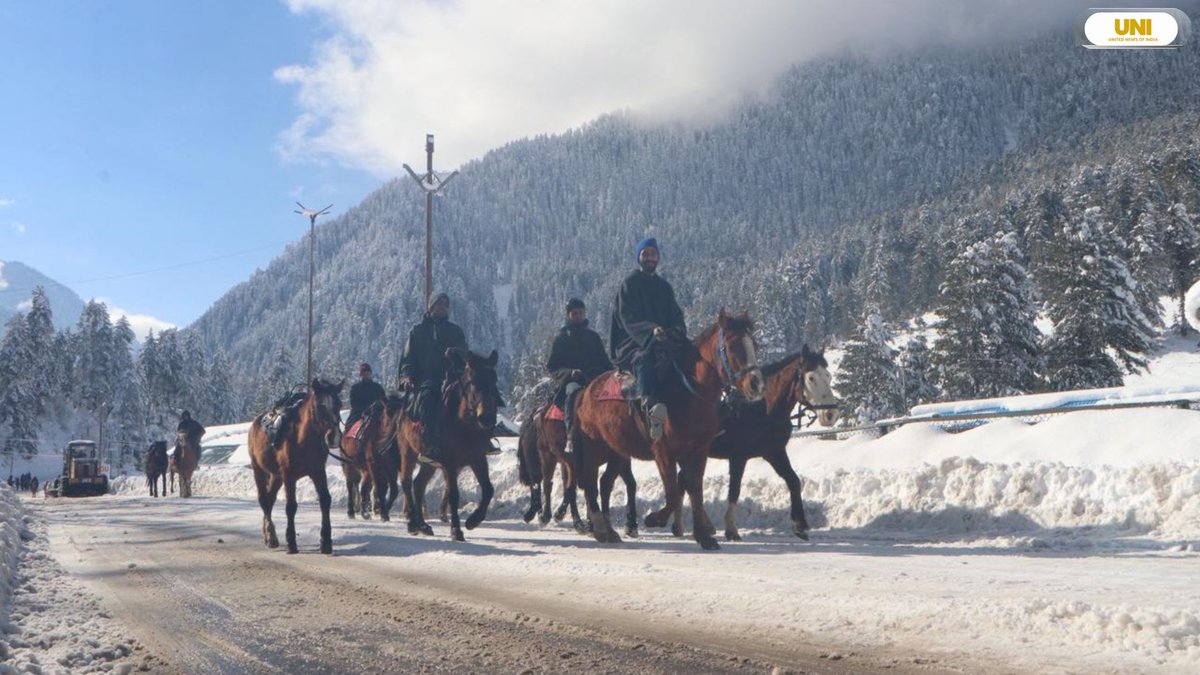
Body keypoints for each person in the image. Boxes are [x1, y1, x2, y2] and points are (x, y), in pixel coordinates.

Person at [610, 237, 687, 440]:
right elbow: (627, 318)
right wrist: (651, 330)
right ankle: (650, 404)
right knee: (644, 358)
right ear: (639, 258)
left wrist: (678, 329)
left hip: (663, 338)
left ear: (658, 257)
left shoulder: (664, 287)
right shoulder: (629, 284)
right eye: (646, 254)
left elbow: (675, 314)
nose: (650, 258)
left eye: (653, 254)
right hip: (633, 341)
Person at [398, 293, 468, 468]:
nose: (443, 307)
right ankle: (430, 446)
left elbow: (465, 352)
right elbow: (408, 359)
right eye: (439, 304)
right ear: (431, 307)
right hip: (427, 380)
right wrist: (406, 376)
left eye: (446, 304)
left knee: (477, 393)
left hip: (452, 377)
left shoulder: (455, 330)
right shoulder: (417, 331)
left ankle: (482, 439)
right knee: (428, 400)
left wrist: (456, 352)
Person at [546, 298, 612, 452]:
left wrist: (614, 373)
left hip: (596, 379)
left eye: (581, 313)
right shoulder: (561, 339)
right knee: (573, 395)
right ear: (568, 315)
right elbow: (552, 367)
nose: (578, 316)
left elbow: (605, 361)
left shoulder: (593, 337)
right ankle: (571, 436)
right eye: (575, 313)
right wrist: (570, 373)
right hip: (574, 381)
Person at [346, 362, 386, 438]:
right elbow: (354, 403)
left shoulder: (378, 388)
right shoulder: (356, 388)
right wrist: (364, 409)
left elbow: (383, 401)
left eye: (368, 373)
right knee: (349, 426)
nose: (366, 375)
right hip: (360, 414)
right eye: (364, 373)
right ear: (361, 375)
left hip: (376, 414)